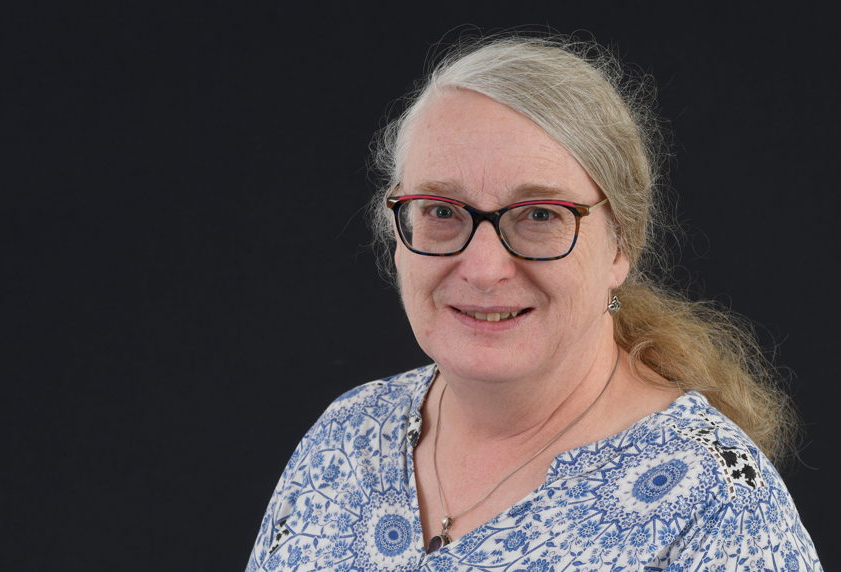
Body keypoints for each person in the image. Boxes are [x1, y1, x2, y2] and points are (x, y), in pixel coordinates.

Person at [245, 35, 822, 572]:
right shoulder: (347, 437)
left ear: (622, 243)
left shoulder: (716, 506)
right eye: (442, 211)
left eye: (540, 215)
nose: (485, 268)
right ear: (398, 233)